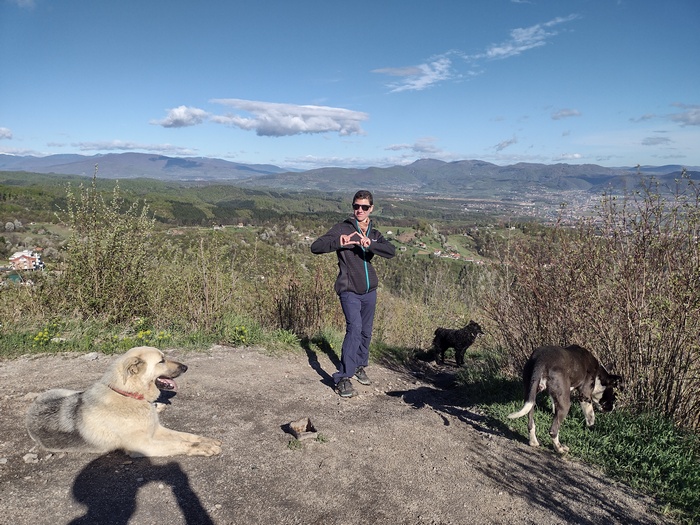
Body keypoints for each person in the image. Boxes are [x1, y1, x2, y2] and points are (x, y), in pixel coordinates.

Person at [311, 190, 396, 398]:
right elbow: (316, 246)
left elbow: (391, 251)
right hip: (349, 289)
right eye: (356, 206)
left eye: (364, 207)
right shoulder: (342, 228)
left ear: (371, 209)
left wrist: (371, 245)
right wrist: (339, 242)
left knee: (366, 331)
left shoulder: (373, 233)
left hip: (369, 291)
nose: (360, 210)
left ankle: (358, 365)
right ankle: (343, 377)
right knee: (355, 329)